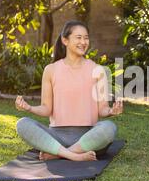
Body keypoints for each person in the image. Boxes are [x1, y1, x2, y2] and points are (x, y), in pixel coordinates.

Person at [15, 20, 123, 161]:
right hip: (56, 137)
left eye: (86, 38)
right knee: (22, 124)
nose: (83, 42)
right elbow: (46, 109)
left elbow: (102, 109)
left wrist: (110, 111)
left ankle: (59, 154)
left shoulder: (98, 70)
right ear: (65, 40)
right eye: (79, 37)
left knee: (109, 128)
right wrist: (29, 108)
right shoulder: (51, 70)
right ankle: (73, 156)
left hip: (88, 139)